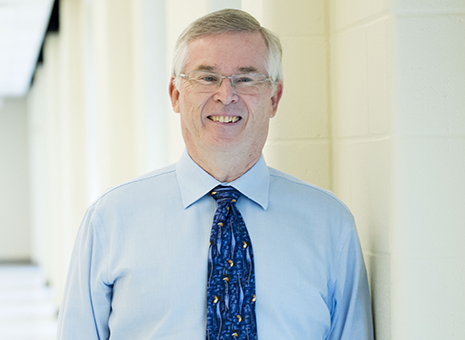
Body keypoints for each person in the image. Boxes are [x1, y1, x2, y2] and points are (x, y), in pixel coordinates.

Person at [57, 8, 373, 340]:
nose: (226, 95)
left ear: (274, 97)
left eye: (246, 78)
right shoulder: (111, 220)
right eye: (207, 78)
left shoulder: (329, 225)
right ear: (176, 94)